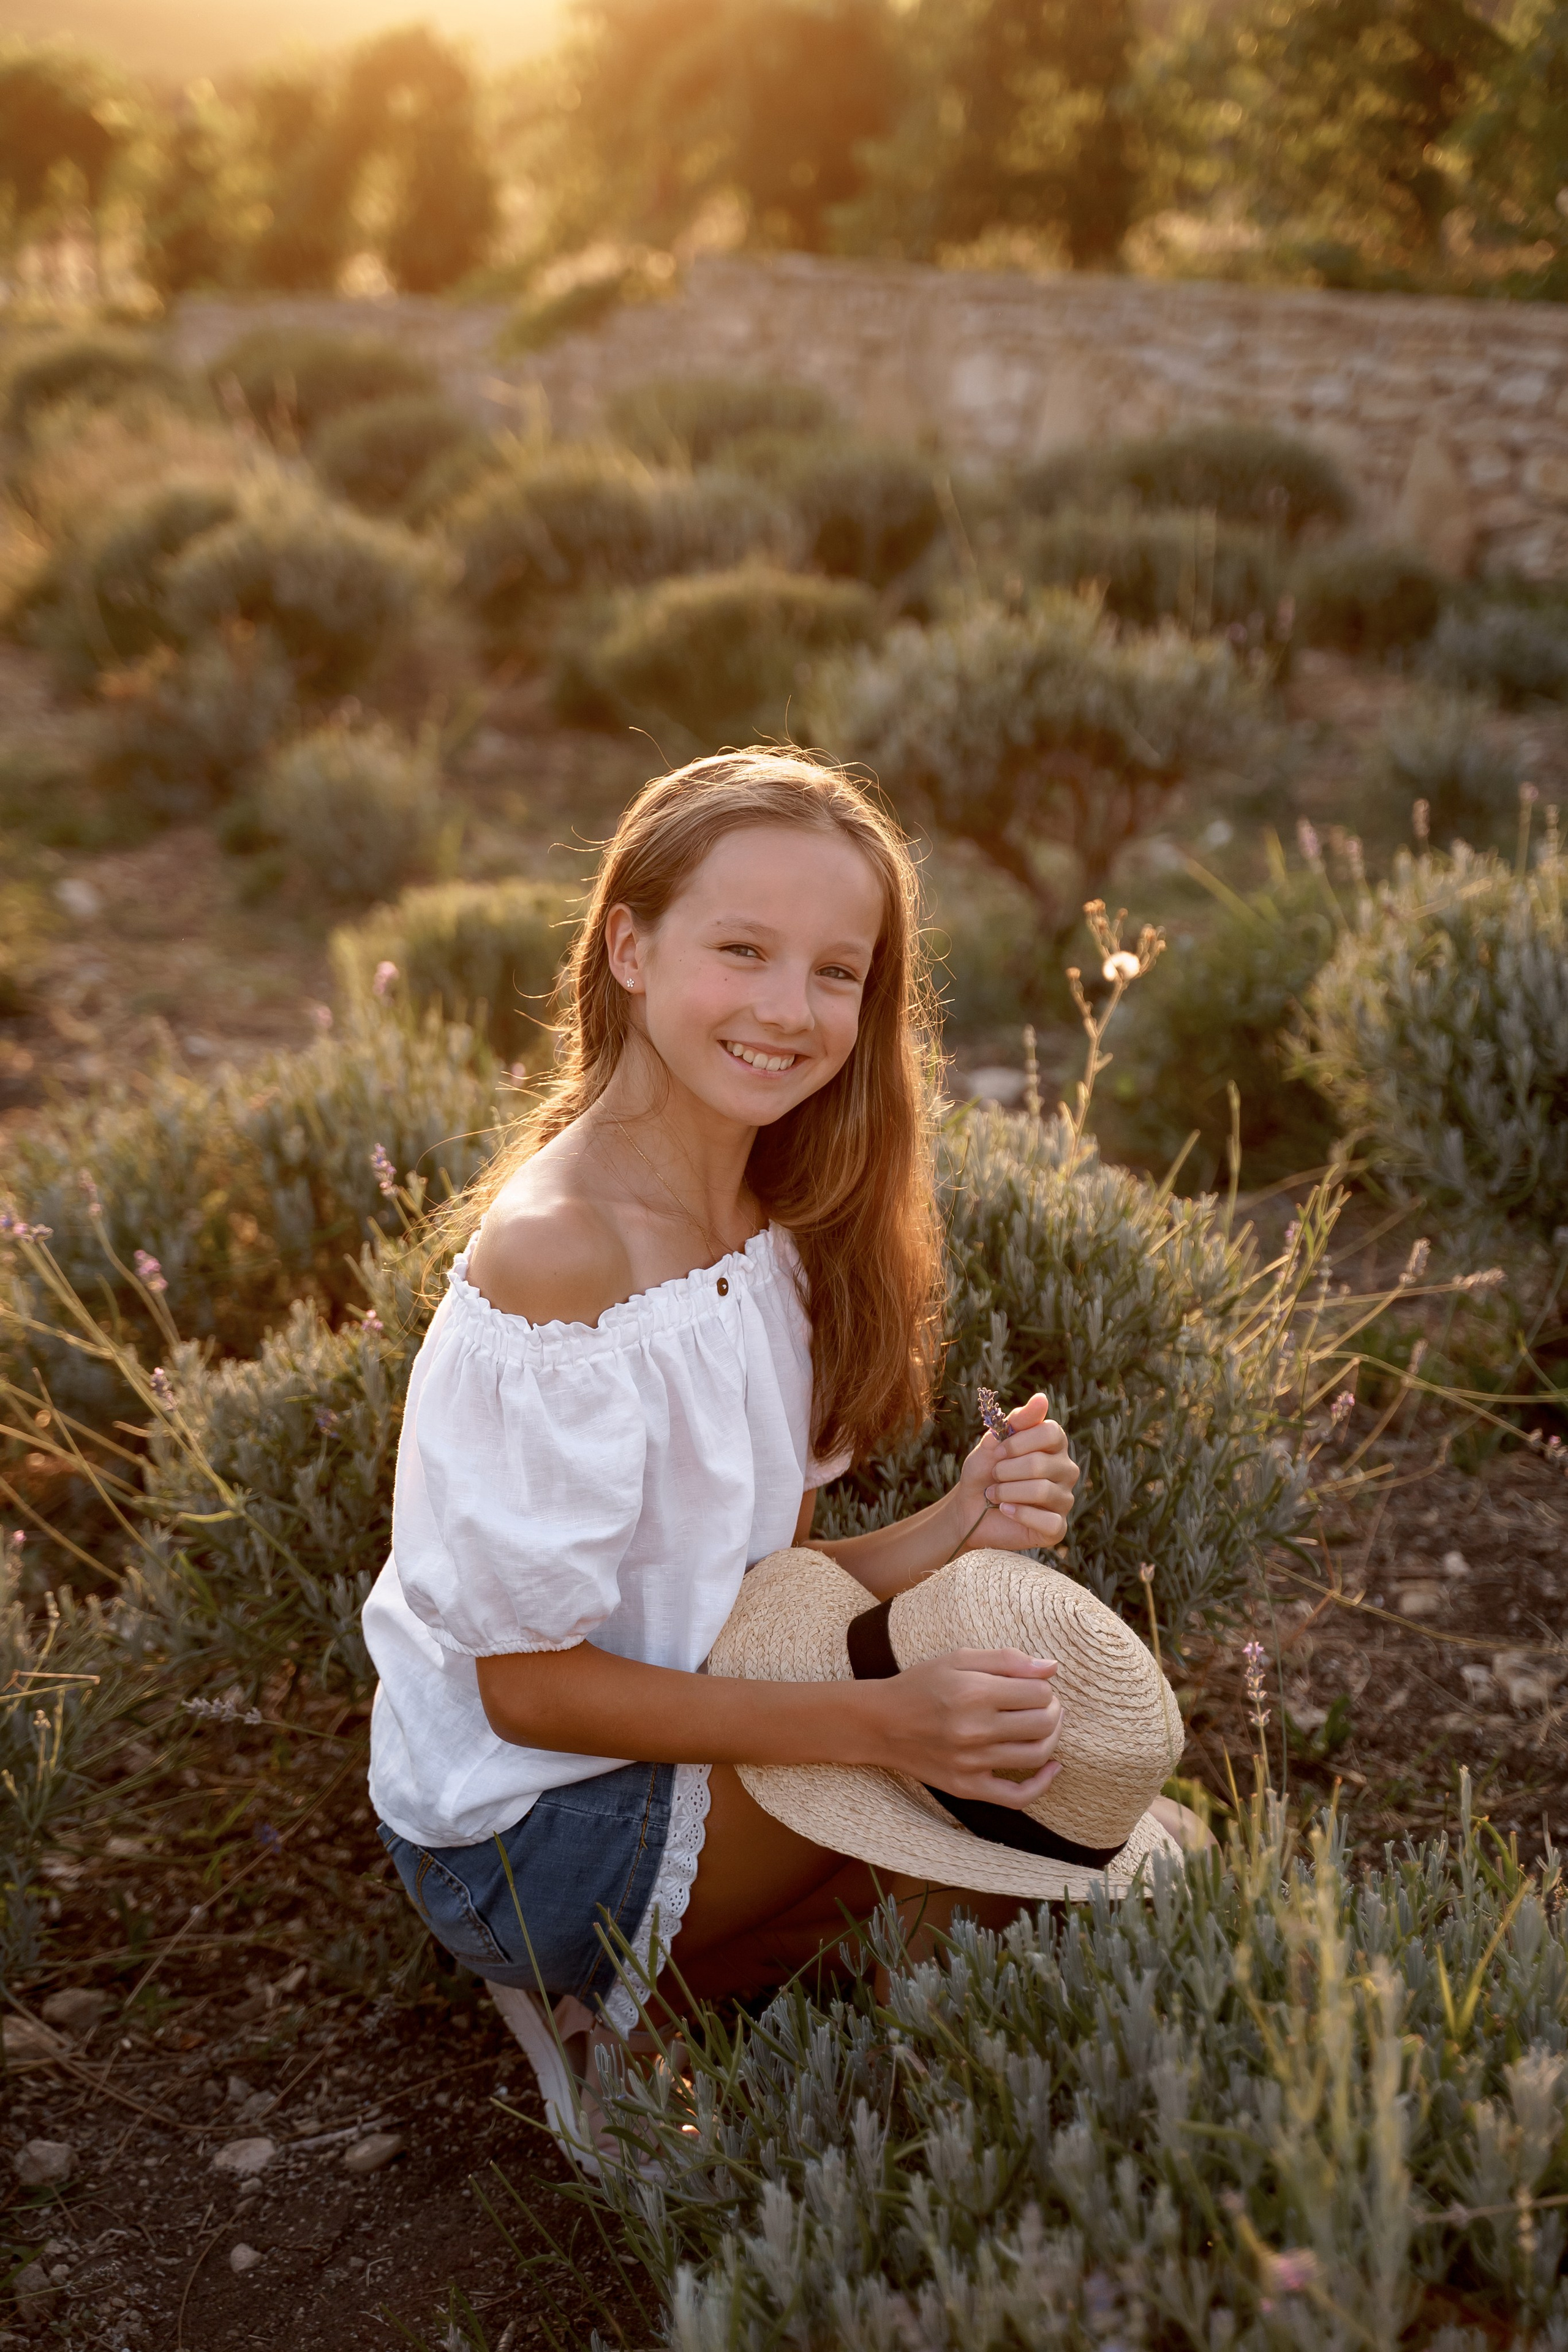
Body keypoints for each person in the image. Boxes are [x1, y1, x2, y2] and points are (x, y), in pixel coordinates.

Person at [363, 750, 1200, 2152]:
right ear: (627, 945)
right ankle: (624, 1977)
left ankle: (676, 1987)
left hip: (676, 1745)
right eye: (739, 950)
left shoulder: (769, 1222)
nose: (785, 1009)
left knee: (1025, 1803)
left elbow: (748, 1590)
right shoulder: (561, 1257)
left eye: (834, 971)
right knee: (999, 1810)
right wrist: (880, 1725)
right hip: (526, 1834)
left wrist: (954, 1522)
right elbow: (529, 1690)